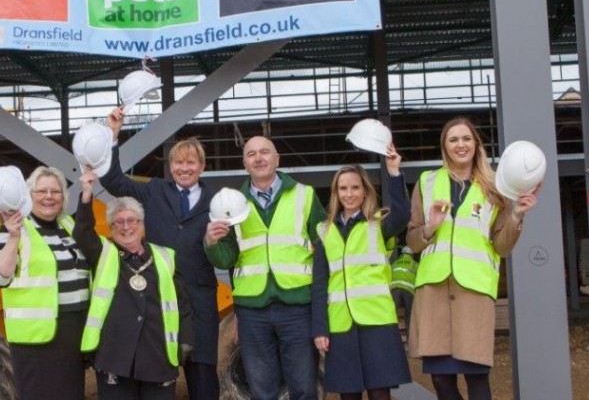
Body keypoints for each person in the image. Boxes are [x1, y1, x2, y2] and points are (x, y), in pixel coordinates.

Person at [406, 118, 539, 400]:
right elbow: (413, 241)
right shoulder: (427, 182)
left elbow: (501, 247)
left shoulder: (495, 188)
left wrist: (517, 214)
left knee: (477, 377)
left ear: (476, 144)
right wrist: (431, 226)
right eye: (453, 139)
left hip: (474, 291)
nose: (460, 145)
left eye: (466, 138)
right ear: (444, 146)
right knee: (441, 379)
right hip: (434, 290)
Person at [102, 106, 221, 400]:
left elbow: (230, 251)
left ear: (202, 166)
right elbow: (113, 181)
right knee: (156, 376)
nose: (184, 168)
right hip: (158, 300)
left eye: (191, 163)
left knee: (203, 378)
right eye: (178, 163)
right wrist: (112, 137)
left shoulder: (218, 201)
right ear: (171, 166)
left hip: (201, 301)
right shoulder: (155, 190)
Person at [204, 135, 326, 400]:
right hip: (252, 311)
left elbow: (326, 250)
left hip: (297, 306)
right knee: (262, 390)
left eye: (264, 152)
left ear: (277, 158)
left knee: (304, 386)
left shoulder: (305, 196)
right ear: (244, 164)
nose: (258, 158)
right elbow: (225, 259)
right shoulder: (233, 204)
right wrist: (211, 242)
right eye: (251, 154)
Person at [74, 168, 195, 400]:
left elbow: (183, 304)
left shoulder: (165, 256)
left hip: (158, 355)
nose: (126, 226)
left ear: (142, 225)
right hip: (114, 358)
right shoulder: (104, 252)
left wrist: (187, 338)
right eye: (118, 222)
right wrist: (86, 194)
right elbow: (82, 232)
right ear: (110, 229)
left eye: (132, 220)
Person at [312, 145, 412, 400]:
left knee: (379, 393)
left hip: (376, 322)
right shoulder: (325, 231)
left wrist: (393, 172)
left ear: (366, 190)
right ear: (335, 192)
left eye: (355, 187)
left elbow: (402, 215)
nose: (349, 194)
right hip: (341, 325)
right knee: (349, 394)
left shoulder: (378, 223)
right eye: (343, 188)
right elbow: (320, 284)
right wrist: (320, 328)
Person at [0, 166, 90, 400]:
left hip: (72, 331)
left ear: (63, 196)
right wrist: (13, 238)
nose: (49, 197)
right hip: (36, 337)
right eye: (41, 191)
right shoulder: (15, 230)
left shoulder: (68, 226)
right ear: (28, 195)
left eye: (56, 191)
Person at [389, 246, 418, 326]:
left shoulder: (395, 263)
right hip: (408, 291)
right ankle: (409, 332)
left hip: (395, 290)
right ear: (412, 255)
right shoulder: (414, 264)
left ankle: (391, 330)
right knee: (410, 314)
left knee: (391, 312)